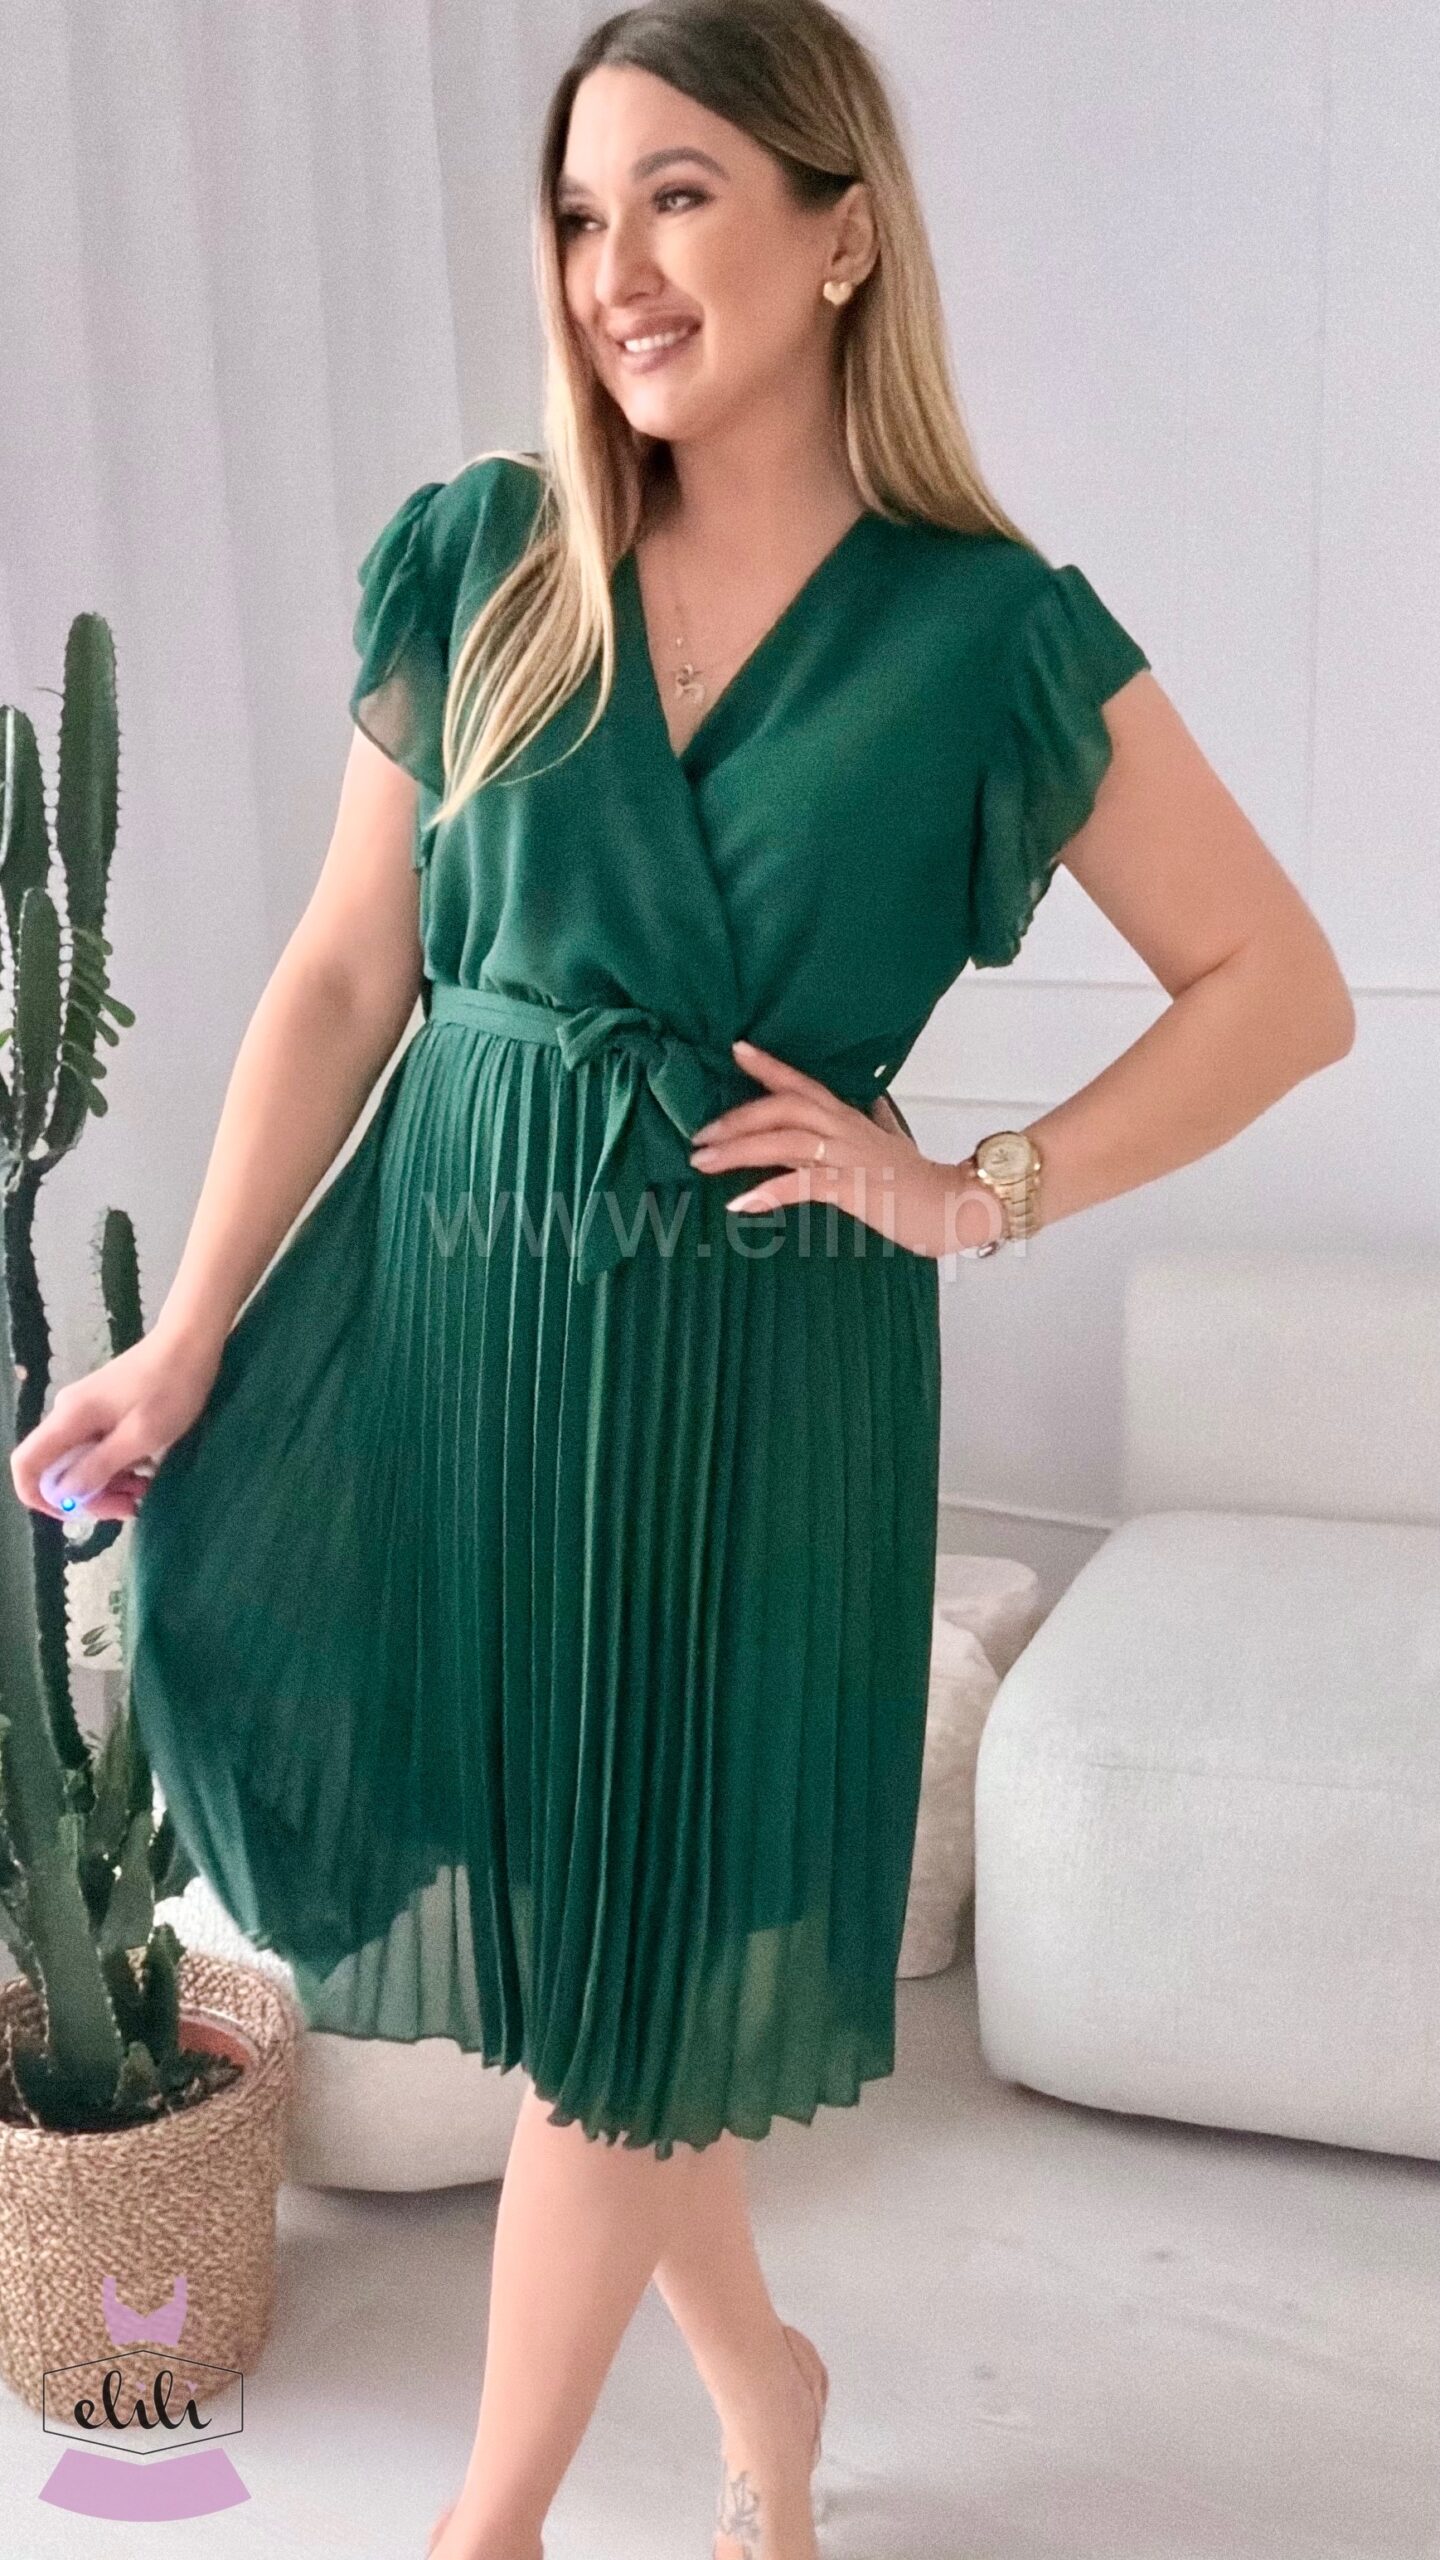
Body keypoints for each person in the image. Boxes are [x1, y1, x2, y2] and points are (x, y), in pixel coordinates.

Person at [9, 3, 1355, 2555]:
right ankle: (772, 2384)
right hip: (456, 1333)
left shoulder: (987, 632)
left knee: (628, 1979)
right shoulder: (481, 555)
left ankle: (488, 2525)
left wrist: (980, 1184)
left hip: (756, 1369)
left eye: (680, 194)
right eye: (577, 211)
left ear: (842, 232)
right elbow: (345, 972)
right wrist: (186, 1333)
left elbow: (1279, 987)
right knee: (594, 1968)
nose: (613, 264)